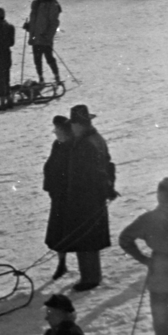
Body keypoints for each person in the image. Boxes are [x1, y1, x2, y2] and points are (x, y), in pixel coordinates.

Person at [118, 176, 168, 335]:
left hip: (160, 275)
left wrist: (144, 259)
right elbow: (125, 239)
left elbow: (125, 238)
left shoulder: (149, 219)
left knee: (162, 321)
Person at [59, 104, 116, 290]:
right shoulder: (94, 139)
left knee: (86, 239)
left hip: (85, 198)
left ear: (80, 125)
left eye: (74, 124)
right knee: (88, 238)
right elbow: (108, 165)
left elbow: (94, 172)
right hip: (92, 197)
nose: (72, 128)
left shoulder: (86, 144)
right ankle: (91, 275)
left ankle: (90, 278)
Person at [42, 115, 74, 281]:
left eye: (58, 130)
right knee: (58, 232)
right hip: (57, 195)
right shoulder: (58, 144)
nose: (55, 133)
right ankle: (62, 262)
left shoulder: (73, 146)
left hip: (69, 196)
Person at [24, 0, 61, 85]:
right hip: (36, 38)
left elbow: (54, 23)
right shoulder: (35, 4)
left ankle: (56, 76)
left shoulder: (51, 4)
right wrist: (29, 26)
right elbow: (34, 20)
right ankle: (41, 78)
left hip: (45, 38)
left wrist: (48, 36)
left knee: (49, 58)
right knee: (37, 60)